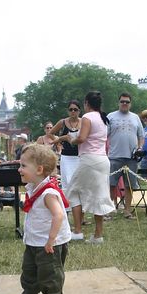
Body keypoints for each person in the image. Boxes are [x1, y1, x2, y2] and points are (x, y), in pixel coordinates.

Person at [10, 144, 72, 294]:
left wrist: (51, 240)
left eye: (23, 166)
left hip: (48, 243)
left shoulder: (48, 193)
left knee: (49, 272)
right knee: (29, 269)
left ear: (39, 169)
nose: (19, 170)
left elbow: (58, 215)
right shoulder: (33, 188)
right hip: (34, 240)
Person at [55, 91, 116, 243]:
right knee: (99, 196)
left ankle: (77, 231)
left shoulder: (88, 117)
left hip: (89, 159)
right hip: (103, 160)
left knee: (73, 191)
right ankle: (98, 235)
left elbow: (82, 138)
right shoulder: (103, 117)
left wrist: (70, 139)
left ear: (86, 103)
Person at [107, 93, 144, 219]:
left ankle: (127, 210)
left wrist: (140, 147)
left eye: (127, 102)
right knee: (111, 184)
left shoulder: (135, 117)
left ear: (130, 104)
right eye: (122, 101)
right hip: (114, 156)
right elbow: (104, 136)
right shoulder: (110, 116)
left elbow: (141, 135)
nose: (124, 104)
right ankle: (111, 209)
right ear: (118, 102)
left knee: (129, 185)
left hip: (131, 158)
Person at [51, 100, 82, 206]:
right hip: (66, 157)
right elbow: (51, 134)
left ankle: (80, 210)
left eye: (75, 109)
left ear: (79, 111)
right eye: (71, 109)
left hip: (79, 156)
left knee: (79, 183)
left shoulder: (83, 122)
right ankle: (67, 207)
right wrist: (60, 140)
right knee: (67, 182)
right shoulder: (62, 122)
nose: (73, 112)